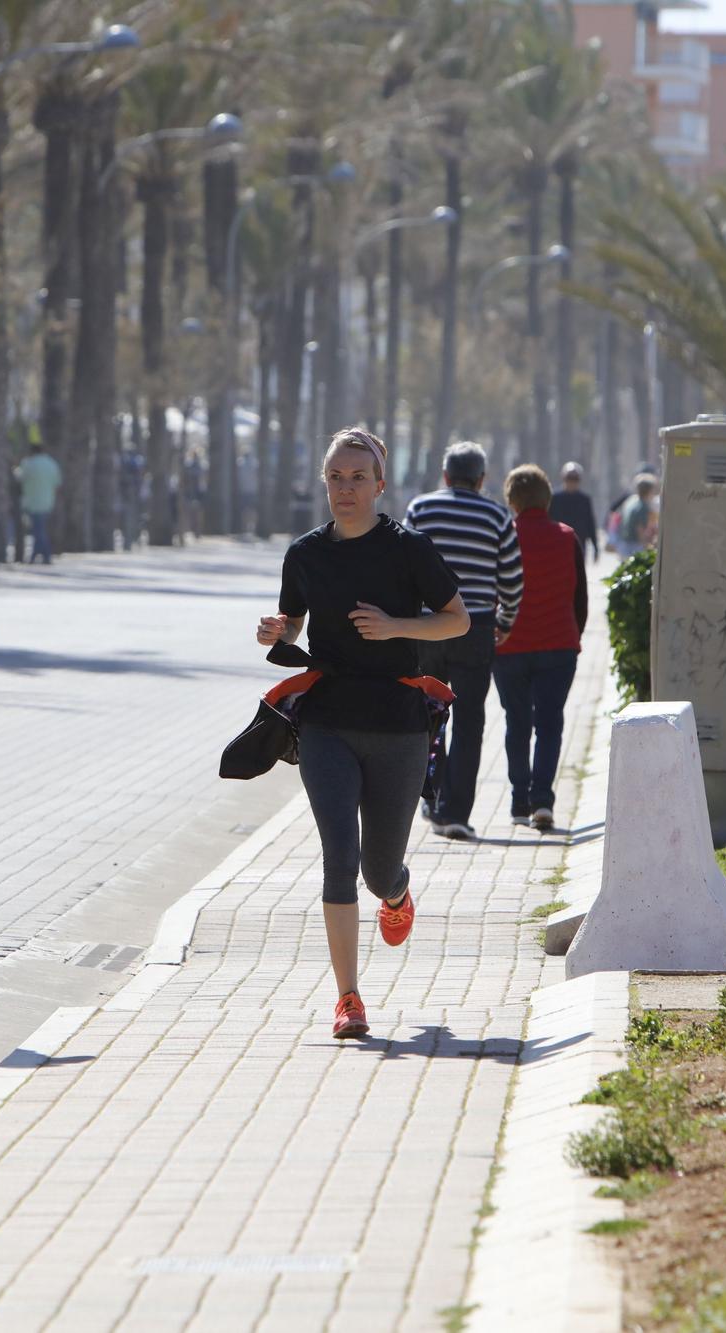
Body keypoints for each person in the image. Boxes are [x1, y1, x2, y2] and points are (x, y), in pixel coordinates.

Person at [259, 427, 470, 1040]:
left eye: (357, 478)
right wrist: (278, 630)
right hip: (326, 722)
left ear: (380, 484)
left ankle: (397, 893)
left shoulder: (409, 549)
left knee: (378, 869)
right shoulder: (304, 554)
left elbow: (456, 622)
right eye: (335, 477)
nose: (345, 488)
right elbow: (294, 622)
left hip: (399, 726)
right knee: (337, 859)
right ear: (322, 482)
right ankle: (348, 998)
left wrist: (395, 625)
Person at [403, 442, 523, 840]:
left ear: (445, 476)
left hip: (426, 627)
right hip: (475, 628)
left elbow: (402, 564)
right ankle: (456, 812)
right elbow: (511, 580)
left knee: (427, 713)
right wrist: (503, 622)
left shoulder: (421, 508)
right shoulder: (497, 515)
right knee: (470, 719)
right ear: (482, 479)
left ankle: (432, 794)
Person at [493, 465, 586, 833]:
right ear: (547, 498)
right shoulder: (567, 537)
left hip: (509, 645)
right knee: (549, 725)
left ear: (512, 500)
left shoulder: (505, 537)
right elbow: (580, 597)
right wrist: (573, 636)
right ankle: (542, 801)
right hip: (558, 645)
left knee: (517, 723)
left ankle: (518, 801)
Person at [14, 440, 62, 564]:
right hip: (47, 502)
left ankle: (42, 555)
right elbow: (57, 483)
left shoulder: (28, 463)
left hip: (32, 502)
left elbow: (19, 478)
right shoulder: (51, 464)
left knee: (38, 530)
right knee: (39, 529)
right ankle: (39, 555)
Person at [547, 461, 600, 561]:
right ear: (564, 478)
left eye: (575, 479)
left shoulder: (584, 500)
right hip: (558, 543)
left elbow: (590, 523)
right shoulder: (554, 498)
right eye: (569, 478)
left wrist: (595, 547)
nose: (572, 482)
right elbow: (548, 521)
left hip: (579, 544)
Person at [613, 474, 658, 556]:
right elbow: (640, 530)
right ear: (649, 491)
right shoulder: (643, 507)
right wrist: (648, 547)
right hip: (634, 546)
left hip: (624, 544)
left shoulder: (631, 502)